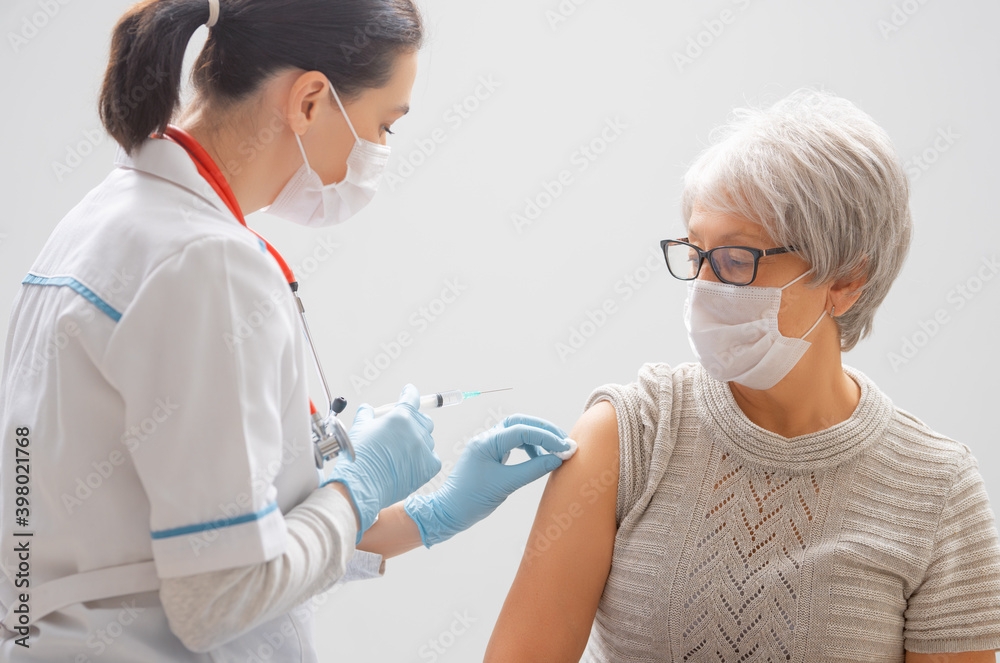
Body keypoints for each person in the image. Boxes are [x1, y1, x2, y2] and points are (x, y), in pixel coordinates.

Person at [0, 0, 572, 659]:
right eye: (384, 125)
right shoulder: (206, 263)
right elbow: (218, 598)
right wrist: (359, 484)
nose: (381, 150)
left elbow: (208, 544)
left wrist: (423, 516)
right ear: (308, 101)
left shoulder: (110, 219)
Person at [485, 90, 1000, 662]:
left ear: (846, 280)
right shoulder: (630, 436)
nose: (705, 287)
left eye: (736, 260)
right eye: (697, 254)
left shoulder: (936, 490)